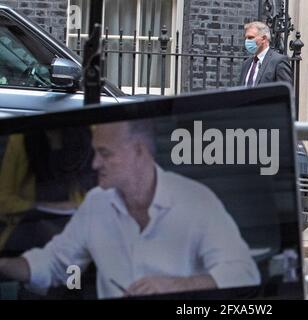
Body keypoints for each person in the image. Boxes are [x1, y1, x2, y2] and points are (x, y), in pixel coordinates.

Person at [0, 119, 260, 299]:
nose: (94, 164)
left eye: (105, 153)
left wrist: (177, 286)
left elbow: (242, 273)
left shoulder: (196, 200)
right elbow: (55, 263)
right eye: (95, 153)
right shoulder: (96, 204)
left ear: (138, 151)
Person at [239, 21, 293, 87]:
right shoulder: (246, 63)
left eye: (251, 37)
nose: (247, 41)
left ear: (264, 39)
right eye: (246, 38)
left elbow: (285, 93)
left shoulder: (279, 61)